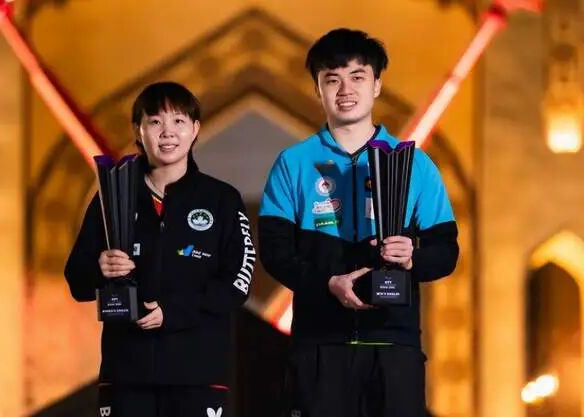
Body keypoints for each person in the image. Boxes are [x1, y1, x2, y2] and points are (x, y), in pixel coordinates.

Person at [259, 28, 459, 417]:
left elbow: (446, 251)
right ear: (318, 89)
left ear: (377, 85)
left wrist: (412, 258)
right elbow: (274, 252)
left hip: (394, 348)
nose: (345, 89)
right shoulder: (293, 163)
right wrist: (326, 283)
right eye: (332, 79)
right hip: (319, 348)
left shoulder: (414, 164)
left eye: (357, 77)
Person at [64, 81, 255, 417]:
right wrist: (100, 267)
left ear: (195, 129)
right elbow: (77, 281)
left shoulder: (222, 199)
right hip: (126, 376)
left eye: (178, 121)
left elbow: (238, 283)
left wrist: (173, 312)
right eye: (155, 122)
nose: (167, 132)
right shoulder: (112, 196)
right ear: (138, 131)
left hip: (198, 376)